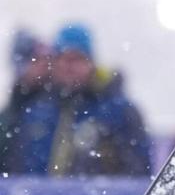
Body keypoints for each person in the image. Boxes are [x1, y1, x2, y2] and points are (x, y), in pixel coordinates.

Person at [6, 23, 152, 177]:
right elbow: (17, 173)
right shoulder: (36, 112)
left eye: (77, 59)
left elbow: (138, 175)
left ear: (91, 63)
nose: (69, 66)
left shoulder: (119, 113)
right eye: (62, 58)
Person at [0, 30, 52, 173]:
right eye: (36, 59)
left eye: (48, 58)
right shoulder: (9, 116)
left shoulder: (60, 106)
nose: (45, 64)